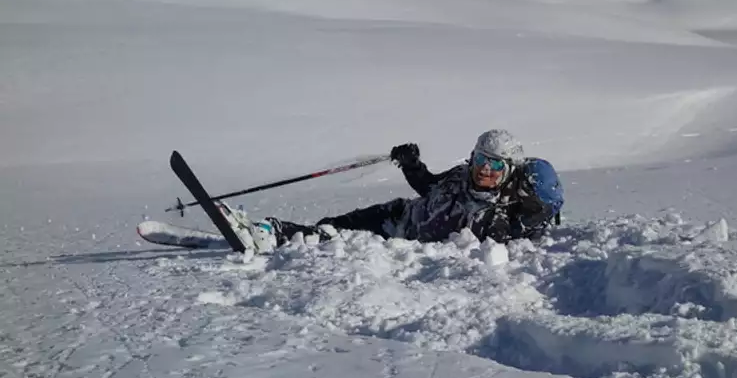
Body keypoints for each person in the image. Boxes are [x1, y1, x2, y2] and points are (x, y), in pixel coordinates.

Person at [219, 129, 564, 253]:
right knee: (332, 224)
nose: (485, 169)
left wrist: (534, 213)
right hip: (398, 214)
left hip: (399, 243)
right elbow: (429, 187)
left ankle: (270, 234)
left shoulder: (498, 217)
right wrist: (412, 165)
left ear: (509, 172)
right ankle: (276, 233)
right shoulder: (461, 176)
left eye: (495, 165)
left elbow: (528, 224)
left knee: (332, 240)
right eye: (481, 160)